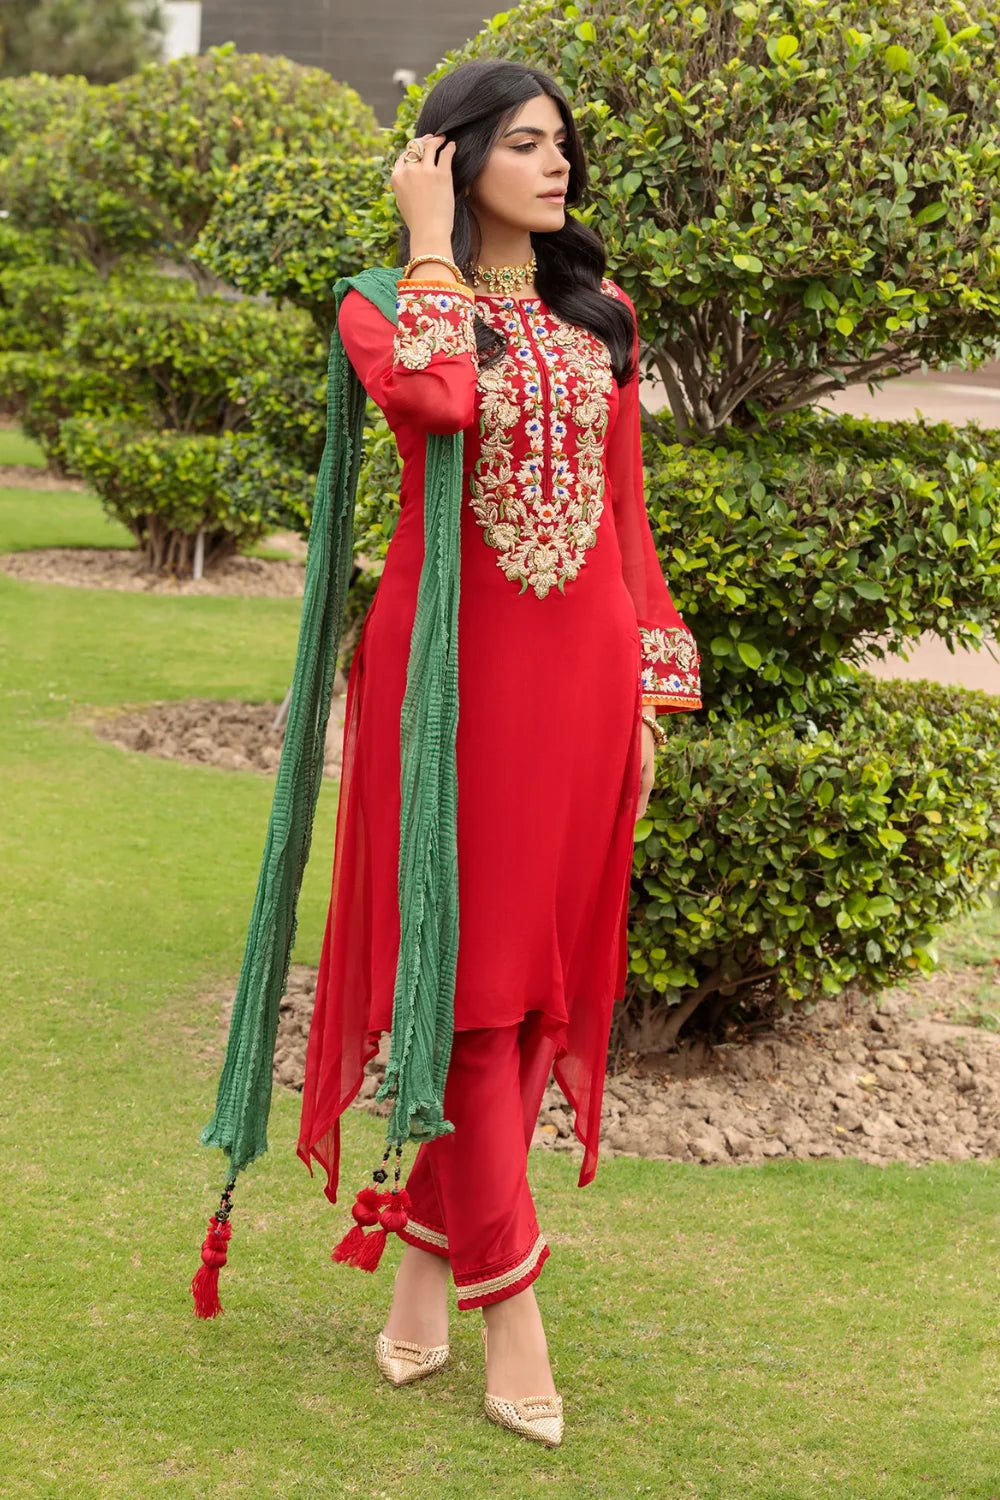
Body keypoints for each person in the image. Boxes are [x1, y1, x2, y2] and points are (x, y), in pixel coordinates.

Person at [295, 58, 702, 1447]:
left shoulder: (604, 315)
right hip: (448, 680)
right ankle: (512, 1309)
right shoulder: (381, 302)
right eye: (525, 143)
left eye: (562, 143)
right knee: (464, 987)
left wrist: (646, 691)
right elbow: (436, 405)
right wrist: (427, 245)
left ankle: (423, 1261)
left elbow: (626, 518)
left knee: (528, 989)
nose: (557, 163)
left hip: (581, 681)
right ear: (453, 157)